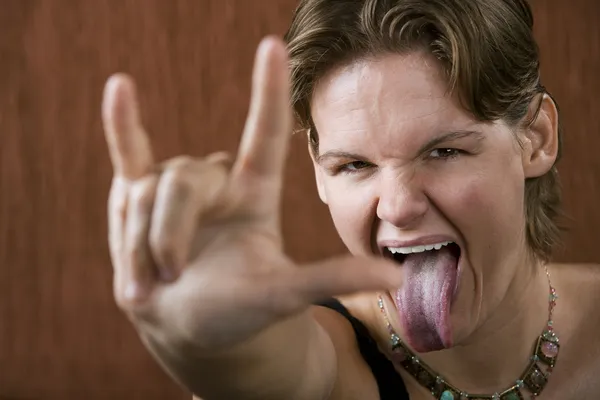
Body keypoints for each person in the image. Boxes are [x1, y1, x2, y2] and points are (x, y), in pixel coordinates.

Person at [101, 0, 600, 399]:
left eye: (444, 151)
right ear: (320, 173)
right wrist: (216, 346)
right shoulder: (339, 360)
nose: (397, 207)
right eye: (355, 165)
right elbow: (277, 370)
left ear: (536, 138)